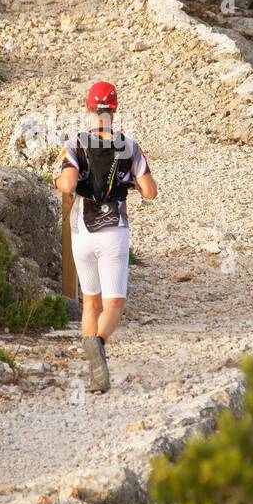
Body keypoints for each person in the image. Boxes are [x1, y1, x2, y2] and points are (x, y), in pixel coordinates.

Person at [55, 82, 157, 392]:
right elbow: (150, 193)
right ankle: (99, 343)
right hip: (114, 232)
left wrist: (62, 176)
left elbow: (68, 184)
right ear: (114, 110)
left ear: (88, 109)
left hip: (82, 234)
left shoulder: (75, 145)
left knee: (90, 305)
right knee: (114, 304)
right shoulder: (130, 146)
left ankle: (95, 373)